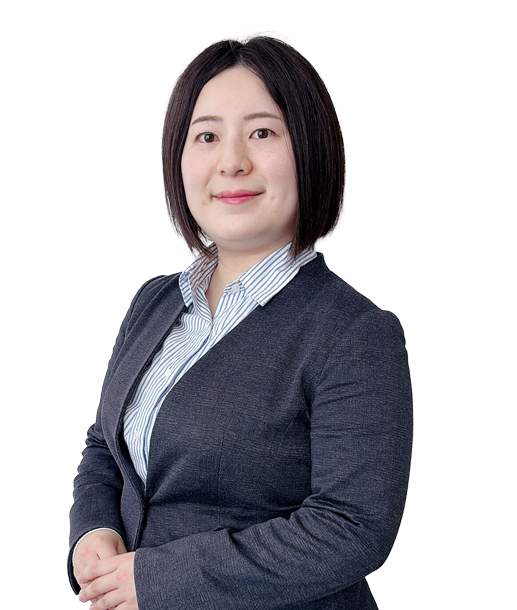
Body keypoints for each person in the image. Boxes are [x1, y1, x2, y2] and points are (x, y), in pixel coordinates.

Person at [68, 31, 413, 610]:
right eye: (206, 136)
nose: (231, 161)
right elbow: (106, 444)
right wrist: (91, 530)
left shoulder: (354, 334)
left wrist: (159, 579)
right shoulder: (155, 302)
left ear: (311, 150)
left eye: (262, 133)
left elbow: (351, 527)